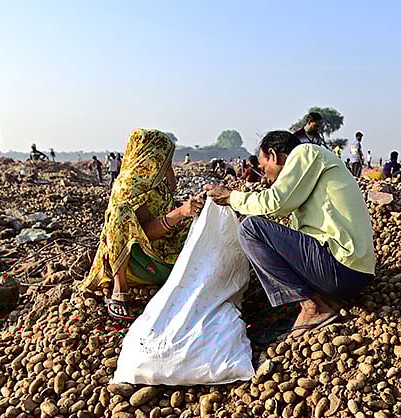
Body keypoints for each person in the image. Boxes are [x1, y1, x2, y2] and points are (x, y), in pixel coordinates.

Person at [205, 131, 375, 338]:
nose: (264, 174)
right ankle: (325, 299)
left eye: (263, 166)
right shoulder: (306, 177)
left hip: (342, 269)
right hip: (350, 274)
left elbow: (276, 203)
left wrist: (232, 197)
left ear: (274, 156)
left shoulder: (305, 152)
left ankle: (312, 306)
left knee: (251, 229)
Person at [82, 129, 205, 320]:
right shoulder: (129, 187)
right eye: (162, 155)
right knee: (120, 214)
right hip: (140, 258)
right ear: (148, 155)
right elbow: (143, 233)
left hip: (165, 250)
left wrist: (168, 167)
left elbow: (171, 189)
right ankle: (119, 290)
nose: (165, 160)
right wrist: (180, 213)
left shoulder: (154, 181)